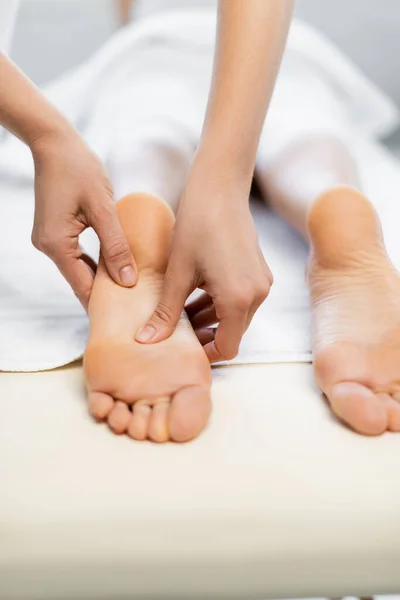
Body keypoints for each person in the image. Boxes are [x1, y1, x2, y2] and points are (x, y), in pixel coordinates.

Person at [85, 0, 400, 442]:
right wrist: (225, 179)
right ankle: (339, 208)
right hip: (281, 53)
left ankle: (139, 215)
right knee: (307, 135)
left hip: (154, 45)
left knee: (147, 134)